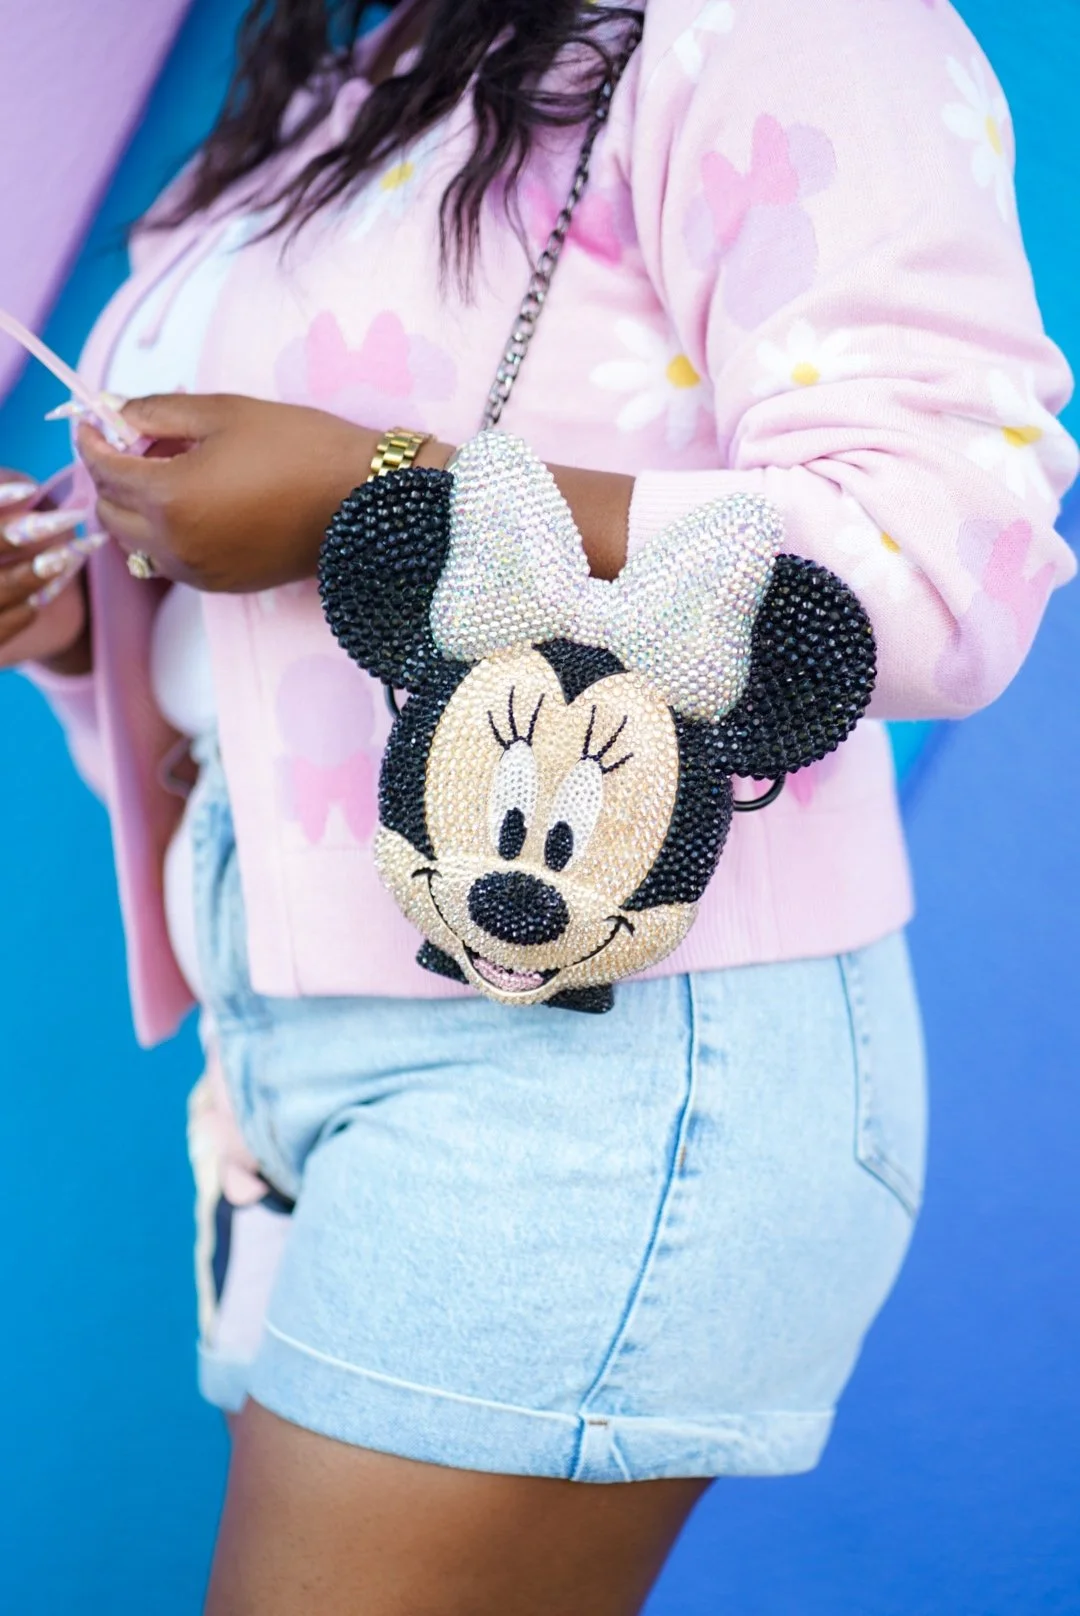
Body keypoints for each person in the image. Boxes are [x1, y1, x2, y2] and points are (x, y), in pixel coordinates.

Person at [1, 0, 1076, 1610]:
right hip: (295, 1050)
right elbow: (271, 656)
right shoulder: (359, 72)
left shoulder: (786, 24)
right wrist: (75, 624)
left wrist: (382, 488)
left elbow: (937, 555)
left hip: (600, 1051)